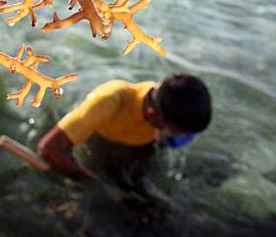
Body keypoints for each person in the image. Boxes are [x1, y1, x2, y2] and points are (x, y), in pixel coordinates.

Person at [36, 74, 212, 185]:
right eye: (176, 132)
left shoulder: (169, 103)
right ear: (153, 114)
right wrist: (91, 183)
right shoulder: (110, 101)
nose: (181, 138)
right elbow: (49, 148)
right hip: (101, 144)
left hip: (140, 148)